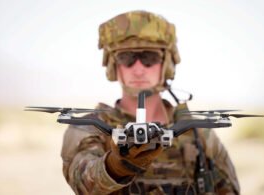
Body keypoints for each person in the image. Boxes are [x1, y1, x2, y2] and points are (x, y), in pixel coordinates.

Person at [61, 10, 240, 195]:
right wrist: (117, 165)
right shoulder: (89, 127)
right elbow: (82, 180)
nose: (138, 70)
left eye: (149, 58)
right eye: (126, 58)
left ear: (167, 64)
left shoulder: (198, 132)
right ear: (113, 65)